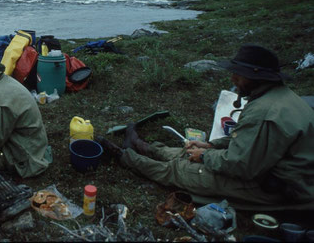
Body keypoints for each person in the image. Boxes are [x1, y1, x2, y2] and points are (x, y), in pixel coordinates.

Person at [97, 44, 314, 206]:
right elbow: (248, 140)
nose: (234, 78)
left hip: (275, 187)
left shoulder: (266, 111)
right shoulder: (280, 97)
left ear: (254, 75)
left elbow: (241, 165)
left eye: (237, 74)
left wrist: (203, 157)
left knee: (179, 169)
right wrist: (211, 146)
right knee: (187, 152)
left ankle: (124, 156)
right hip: (269, 170)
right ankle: (142, 145)